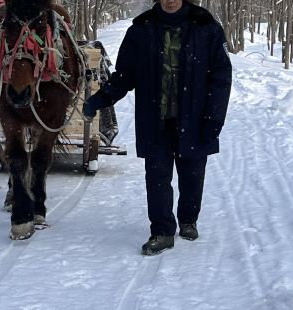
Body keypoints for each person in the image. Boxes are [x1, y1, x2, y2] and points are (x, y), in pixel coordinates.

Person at [83, 0, 232, 255]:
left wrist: (214, 119)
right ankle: (162, 231)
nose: (170, 1)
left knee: (192, 176)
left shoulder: (206, 27)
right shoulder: (141, 30)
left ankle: (188, 219)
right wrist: (99, 100)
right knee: (156, 177)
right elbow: (124, 76)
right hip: (155, 120)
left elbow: (221, 77)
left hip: (195, 120)